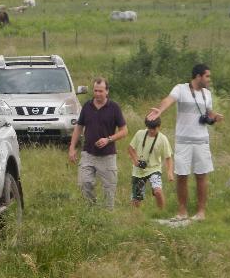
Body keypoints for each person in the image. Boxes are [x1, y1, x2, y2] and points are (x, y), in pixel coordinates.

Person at [147, 64, 224, 221]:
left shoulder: (207, 94)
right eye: (207, 76)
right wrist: (160, 110)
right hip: (183, 141)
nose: (209, 79)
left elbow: (208, 113)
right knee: (182, 176)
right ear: (198, 76)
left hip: (201, 141)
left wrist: (214, 117)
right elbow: (169, 100)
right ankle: (182, 212)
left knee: (201, 176)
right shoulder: (180, 89)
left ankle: (201, 213)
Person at [68, 77, 128, 209]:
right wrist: (72, 148)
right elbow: (79, 127)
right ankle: (91, 210)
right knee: (84, 183)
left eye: (100, 91)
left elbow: (124, 131)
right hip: (88, 153)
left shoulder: (114, 107)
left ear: (107, 91)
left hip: (107, 156)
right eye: (95, 91)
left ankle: (107, 215)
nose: (97, 94)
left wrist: (109, 139)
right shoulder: (87, 107)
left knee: (109, 188)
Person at [128, 117, 174, 209]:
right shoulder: (139, 134)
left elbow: (168, 158)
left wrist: (169, 172)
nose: (151, 131)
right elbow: (130, 148)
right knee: (136, 200)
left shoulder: (163, 139)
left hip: (154, 169)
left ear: (159, 127)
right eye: (149, 128)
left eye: (154, 128)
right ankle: (137, 217)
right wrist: (135, 160)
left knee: (158, 191)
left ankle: (161, 212)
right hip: (138, 171)